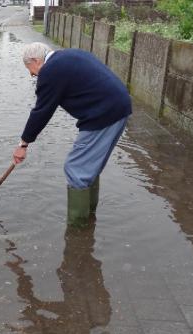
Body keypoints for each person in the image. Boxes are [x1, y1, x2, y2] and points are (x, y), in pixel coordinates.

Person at [13, 43, 131, 227]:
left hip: (103, 114)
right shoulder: (68, 55)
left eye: (31, 69)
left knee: (76, 168)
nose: (32, 75)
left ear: (36, 61)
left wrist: (23, 144)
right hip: (120, 107)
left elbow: (42, 111)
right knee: (89, 166)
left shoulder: (50, 71)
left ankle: (77, 230)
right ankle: (89, 218)